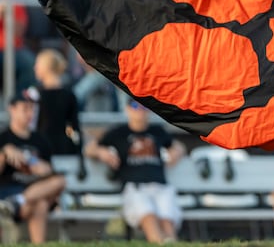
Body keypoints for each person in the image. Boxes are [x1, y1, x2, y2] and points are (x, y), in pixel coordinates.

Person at [85, 98, 186, 244]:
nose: (139, 110)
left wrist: (177, 151)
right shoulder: (118, 132)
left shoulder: (157, 131)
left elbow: (178, 146)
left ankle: (169, 242)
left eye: (144, 107)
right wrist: (101, 152)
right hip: (134, 186)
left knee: (167, 220)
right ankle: (160, 242)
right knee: (149, 218)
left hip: (160, 186)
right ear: (127, 109)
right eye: (134, 106)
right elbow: (89, 149)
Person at [0, 92, 66, 244]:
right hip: (8, 191)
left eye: (32, 109)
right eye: (25, 109)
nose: (30, 114)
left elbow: (50, 173)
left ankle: (17, 201)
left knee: (59, 181)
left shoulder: (40, 139)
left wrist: (38, 166)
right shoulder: (3, 138)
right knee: (41, 202)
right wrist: (4, 153)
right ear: (12, 109)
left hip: (34, 188)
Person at [27, 48, 81, 155]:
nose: (35, 68)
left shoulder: (68, 95)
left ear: (47, 67)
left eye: (38, 64)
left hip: (60, 150)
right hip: (43, 150)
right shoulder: (34, 93)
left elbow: (73, 127)